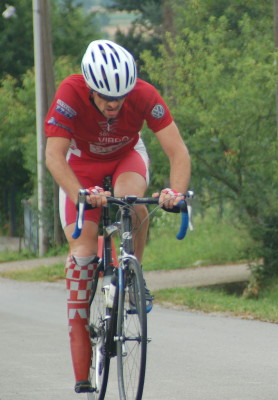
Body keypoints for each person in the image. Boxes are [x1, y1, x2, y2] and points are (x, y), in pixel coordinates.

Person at [44, 39, 191, 393]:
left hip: (126, 156)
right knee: (82, 255)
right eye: (106, 97)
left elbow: (178, 151)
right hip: (81, 164)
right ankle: (82, 361)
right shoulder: (69, 93)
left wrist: (175, 192)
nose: (114, 104)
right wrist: (80, 195)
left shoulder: (145, 94)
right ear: (89, 87)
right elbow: (54, 156)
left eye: (121, 97)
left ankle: (133, 275)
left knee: (133, 202)